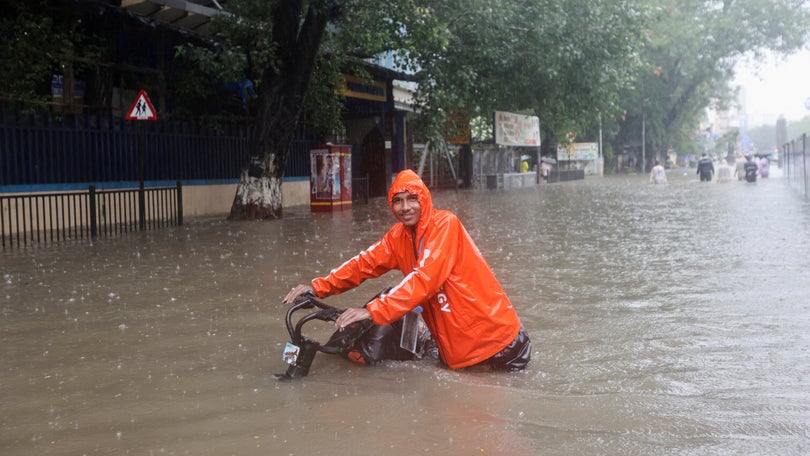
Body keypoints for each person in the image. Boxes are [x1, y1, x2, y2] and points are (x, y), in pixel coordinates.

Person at [285, 169, 531, 371]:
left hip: (500, 346)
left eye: (412, 198)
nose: (405, 207)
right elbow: (362, 264)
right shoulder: (398, 237)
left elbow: (425, 280)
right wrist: (318, 287)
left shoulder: (446, 225)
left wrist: (373, 311)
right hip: (459, 354)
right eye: (398, 201)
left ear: (424, 199)